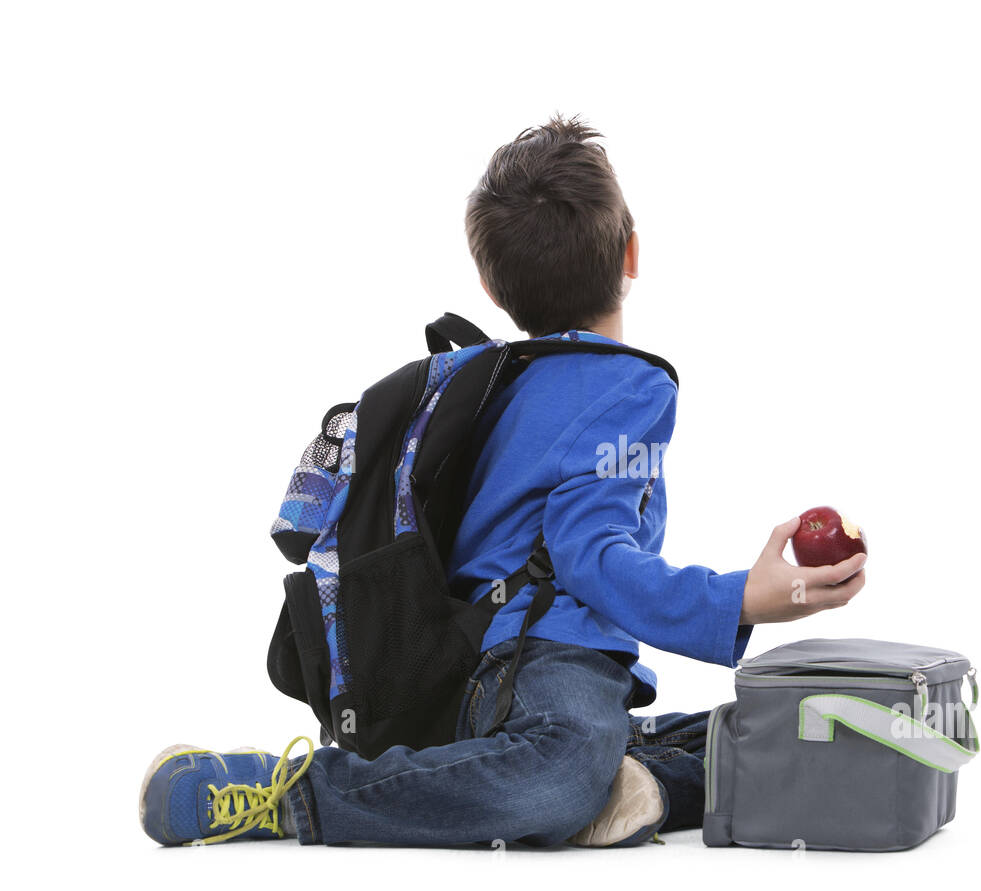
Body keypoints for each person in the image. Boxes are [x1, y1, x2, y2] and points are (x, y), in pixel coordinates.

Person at [139, 116, 867, 849]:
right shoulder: (630, 387)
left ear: (489, 285)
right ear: (633, 253)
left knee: (766, 732)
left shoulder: (489, 381)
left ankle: (636, 784)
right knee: (562, 773)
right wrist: (747, 598)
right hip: (543, 667)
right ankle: (291, 797)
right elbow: (591, 558)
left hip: (462, 674)